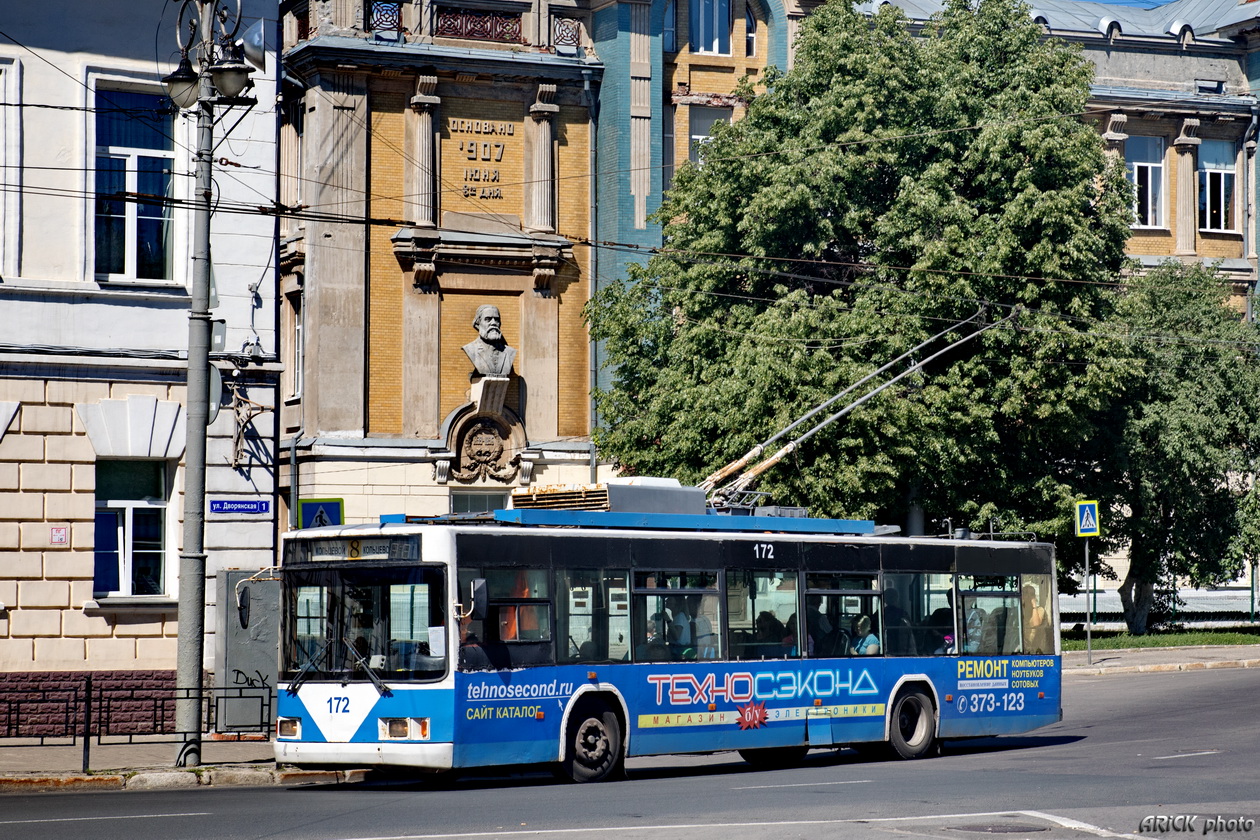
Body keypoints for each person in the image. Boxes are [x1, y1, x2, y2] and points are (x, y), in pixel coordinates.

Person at [462, 304, 517, 376]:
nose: (493, 323)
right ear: (478, 324)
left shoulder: (509, 352)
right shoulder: (471, 349)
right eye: (488, 319)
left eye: (496, 319)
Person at [1022, 584, 1052, 653]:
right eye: (1026, 593)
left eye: (1031, 594)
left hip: (1036, 646)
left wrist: (1034, 606)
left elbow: (1036, 624)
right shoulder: (1020, 610)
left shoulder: (1039, 610)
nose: (1029, 596)